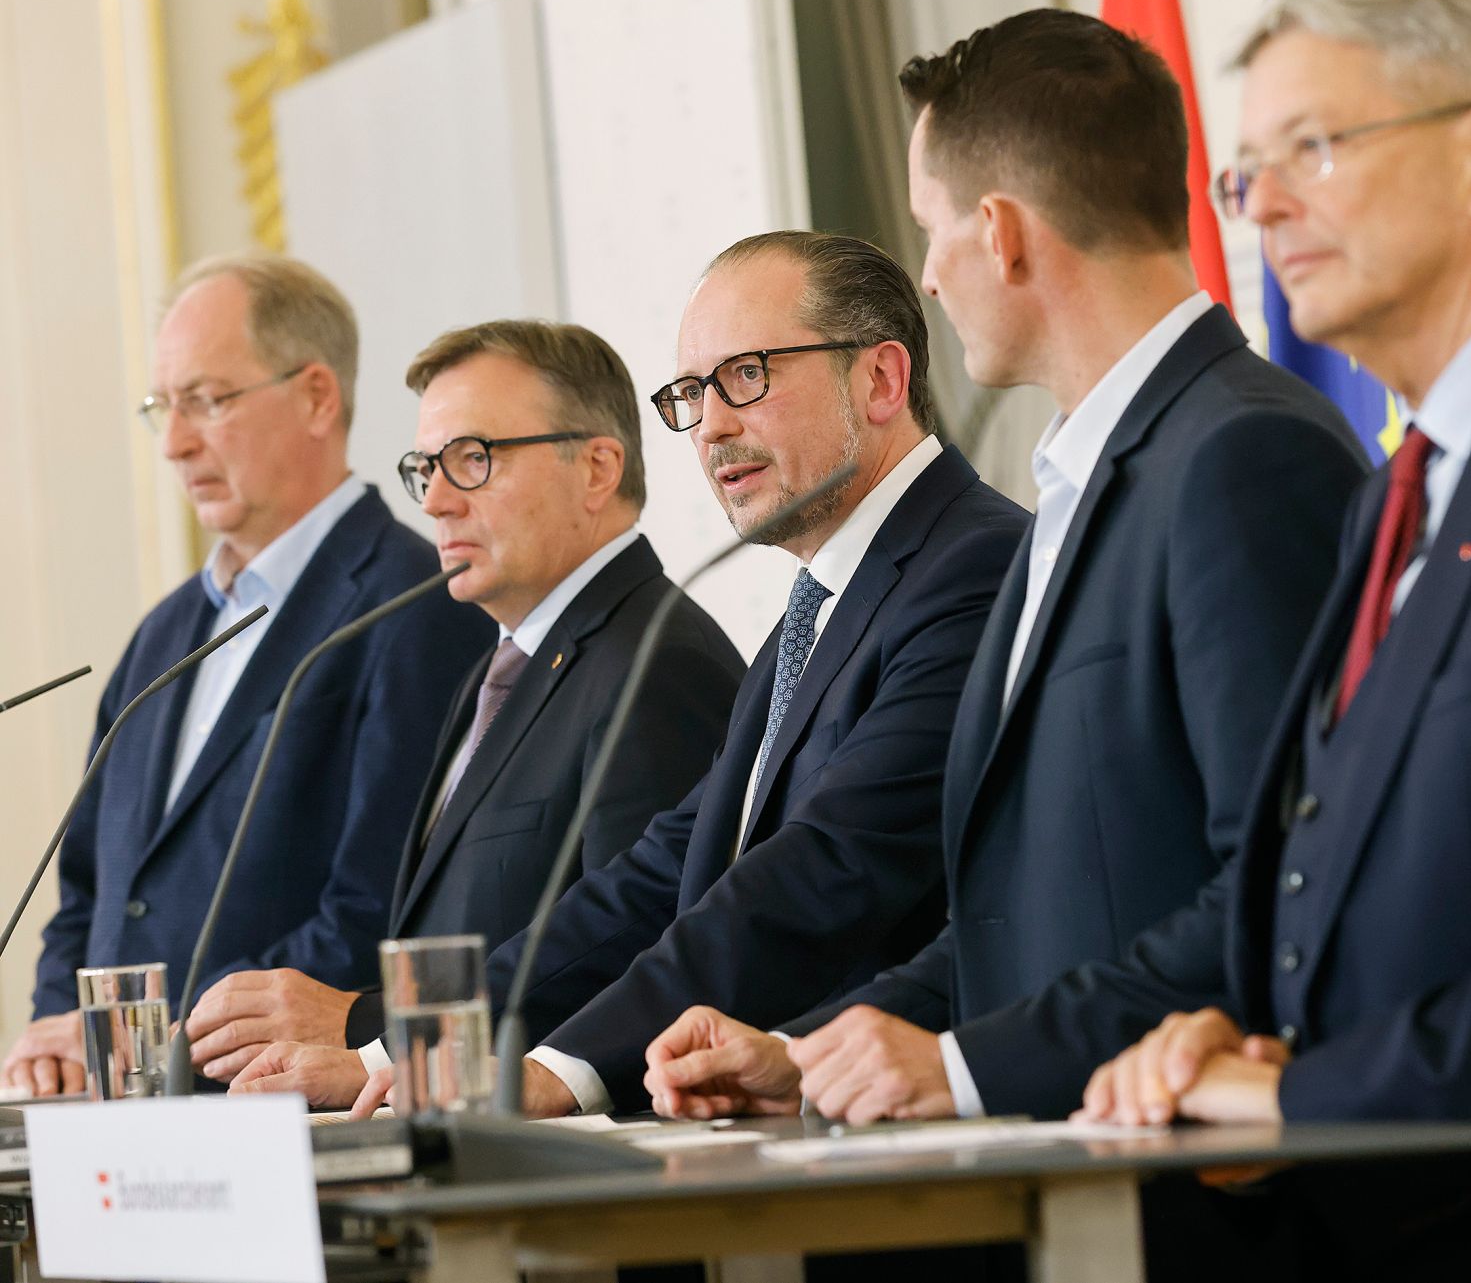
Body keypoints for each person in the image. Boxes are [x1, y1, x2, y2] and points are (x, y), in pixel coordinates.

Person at [923, 0, 1471, 1278]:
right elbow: (1348, 880)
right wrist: (1240, 1037)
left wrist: (1308, 1098)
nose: (1264, 210)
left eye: (1315, 147)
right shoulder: (1397, 496)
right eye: (1248, 173)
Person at [642, 8, 1365, 1126]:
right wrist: (819, 1054)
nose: (926, 275)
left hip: (1193, 1188)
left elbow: (1277, 889)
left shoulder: (1241, 454)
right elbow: (1018, 916)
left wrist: (965, 1069)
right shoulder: (1071, 487)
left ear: (1001, 232)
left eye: (931, 230)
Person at [229, 230, 1029, 1115]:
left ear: (880, 379)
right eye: (692, 393)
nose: (714, 425)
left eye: (748, 376)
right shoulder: (818, 605)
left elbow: (827, 868)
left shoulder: (973, 566)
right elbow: (657, 878)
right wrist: (413, 1055)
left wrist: (561, 1068)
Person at [178, 320, 745, 1085]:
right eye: (425, 468)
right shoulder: (500, 667)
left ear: (598, 468)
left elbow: (635, 952)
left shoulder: (657, 661)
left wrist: (367, 1027)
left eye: (474, 459)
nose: (437, 501)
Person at [3, 254, 493, 1095]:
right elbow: (87, 889)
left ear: (315, 396)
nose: (175, 442)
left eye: (208, 401)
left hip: (284, 1107)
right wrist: (56, 1038)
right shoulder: (163, 634)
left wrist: (144, 1046)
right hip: (117, 1118)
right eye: (164, 406)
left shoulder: (414, 605)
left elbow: (373, 908)